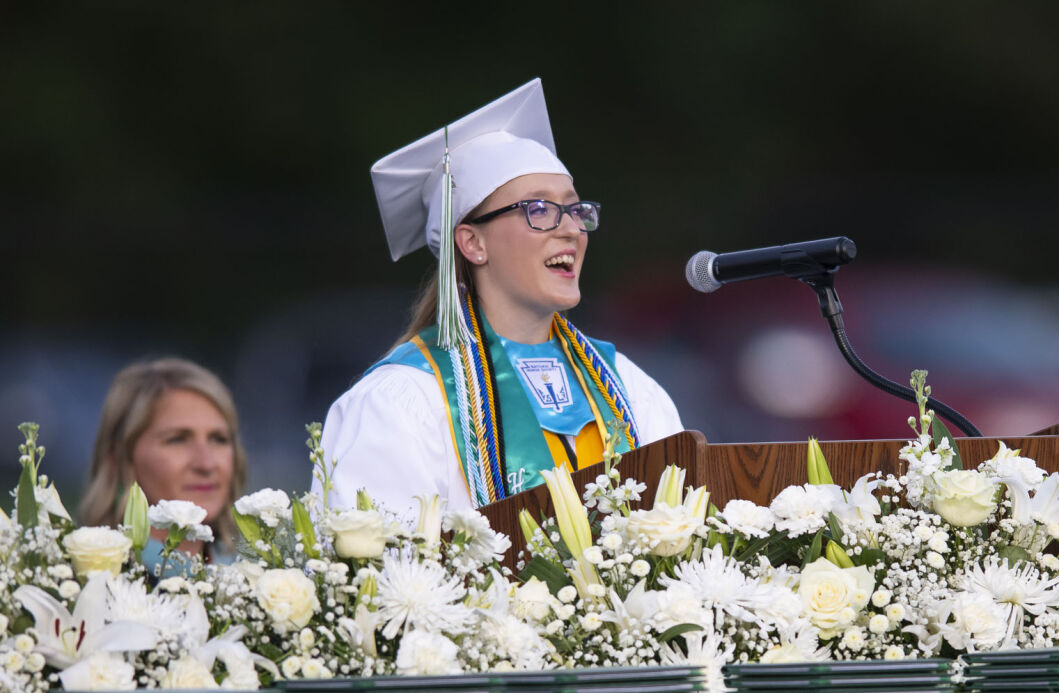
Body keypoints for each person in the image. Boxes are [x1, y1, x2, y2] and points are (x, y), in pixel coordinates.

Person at [320, 80, 682, 517]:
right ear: (472, 243)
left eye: (575, 209)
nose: (571, 229)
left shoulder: (627, 388)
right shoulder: (404, 401)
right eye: (539, 209)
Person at [81, 357, 246, 563]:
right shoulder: (91, 575)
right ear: (120, 457)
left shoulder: (257, 574)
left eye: (219, 439)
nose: (206, 464)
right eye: (177, 439)